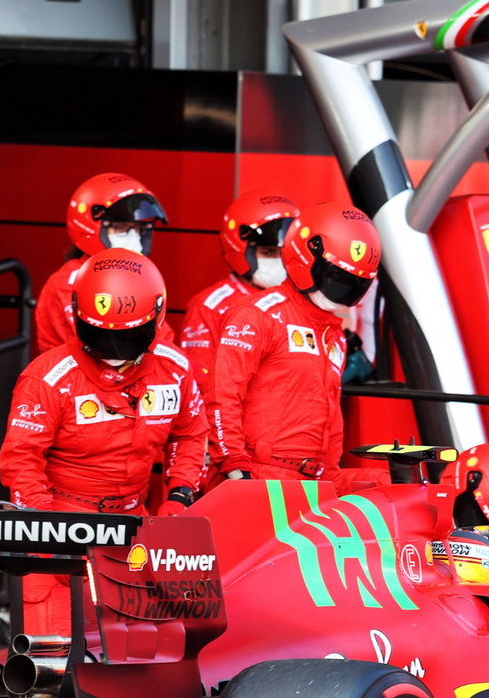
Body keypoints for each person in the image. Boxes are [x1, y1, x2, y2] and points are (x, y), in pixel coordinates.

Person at [0, 248, 206, 636]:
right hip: (58, 529)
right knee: (54, 668)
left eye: (126, 336)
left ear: (157, 318)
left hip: (136, 531)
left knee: (144, 661)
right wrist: (47, 527)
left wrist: (179, 496)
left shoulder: (175, 369)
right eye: (102, 334)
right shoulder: (48, 378)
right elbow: (20, 460)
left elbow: (192, 434)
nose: (113, 349)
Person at [210, 202, 384, 492]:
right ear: (307, 256)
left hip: (313, 480)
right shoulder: (259, 314)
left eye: (355, 283)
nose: (344, 289)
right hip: (255, 476)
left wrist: (330, 475)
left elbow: (329, 415)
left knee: (393, 489)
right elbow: (223, 393)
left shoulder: (335, 335)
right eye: (338, 278)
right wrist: (234, 467)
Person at [179, 192, 299, 417]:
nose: (279, 262)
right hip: (232, 432)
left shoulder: (301, 302)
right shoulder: (210, 306)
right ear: (240, 249)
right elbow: (199, 383)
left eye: (284, 253)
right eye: (268, 252)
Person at [33, 172, 173, 358]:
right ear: (91, 227)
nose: (135, 239)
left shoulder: (136, 278)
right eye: (122, 229)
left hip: (135, 379)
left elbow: (164, 342)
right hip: (82, 382)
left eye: (141, 229)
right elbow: (112, 349)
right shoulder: (70, 282)